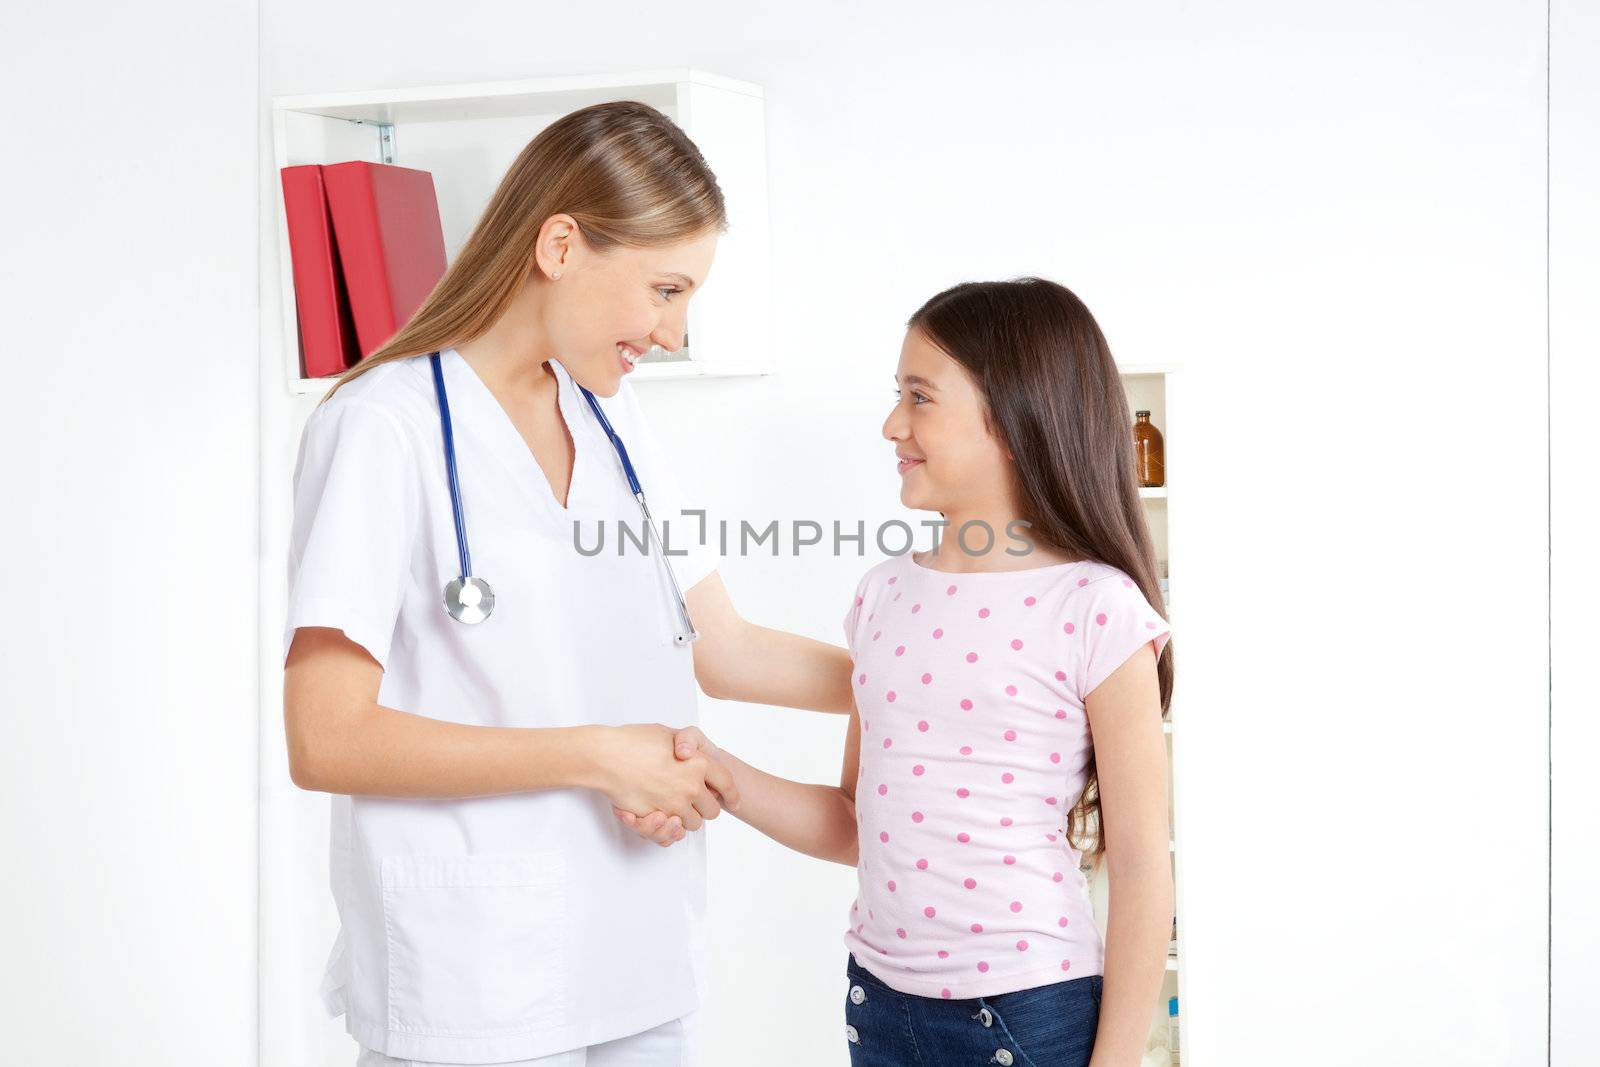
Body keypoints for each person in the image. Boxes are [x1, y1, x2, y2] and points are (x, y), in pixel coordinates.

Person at [282, 100, 852, 1066]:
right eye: (665, 289)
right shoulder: (385, 425)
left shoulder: (613, 422)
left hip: (638, 951)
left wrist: (945, 668)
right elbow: (326, 737)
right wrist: (599, 755)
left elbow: (728, 647)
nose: (673, 332)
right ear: (559, 245)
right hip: (476, 975)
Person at [629, 278, 1176, 1066]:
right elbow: (856, 821)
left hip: (1027, 1011)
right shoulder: (884, 595)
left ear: (1017, 419)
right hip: (879, 1003)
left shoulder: (1097, 607)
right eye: (898, 394)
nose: (892, 424)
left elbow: (1139, 871)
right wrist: (722, 775)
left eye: (920, 397)